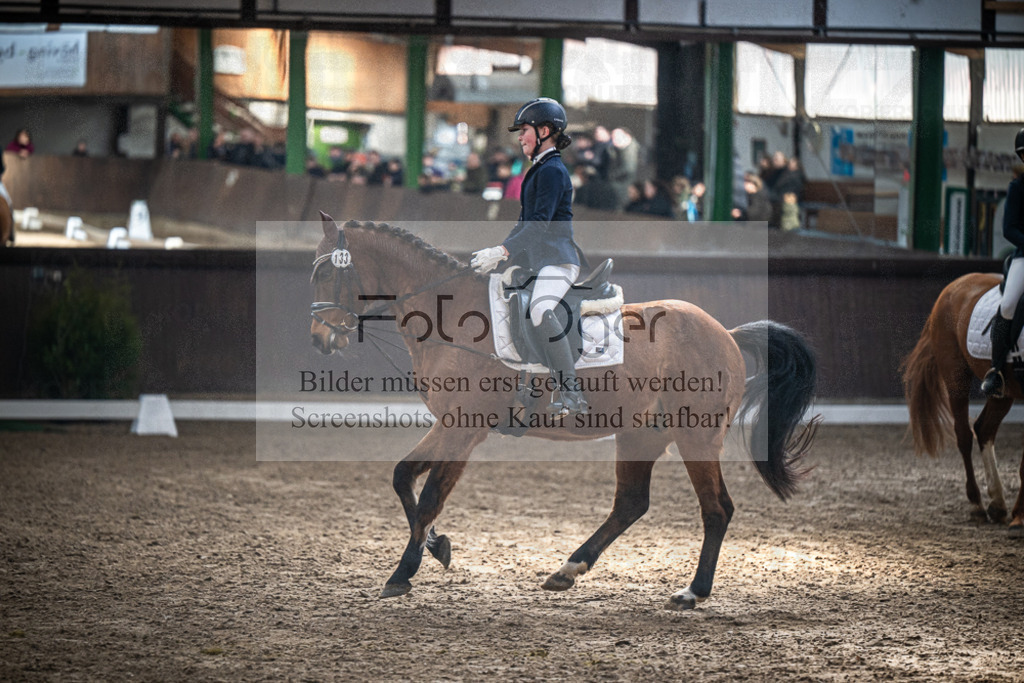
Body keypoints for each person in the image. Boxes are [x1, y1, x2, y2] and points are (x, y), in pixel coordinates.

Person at [470, 97, 589, 416]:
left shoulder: (552, 171)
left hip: (557, 260)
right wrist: (500, 254)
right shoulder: (538, 169)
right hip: (537, 261)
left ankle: (571, 393)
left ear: (544, 131)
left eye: (524, 130)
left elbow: (538, 226)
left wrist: (503, 250)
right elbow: (523, 224)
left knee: (540, 310)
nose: (520, 137)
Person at [983, 128, 1024, 397]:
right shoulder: (1017, 187)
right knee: (1008, 304)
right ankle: (996, 370)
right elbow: (1009, 228)